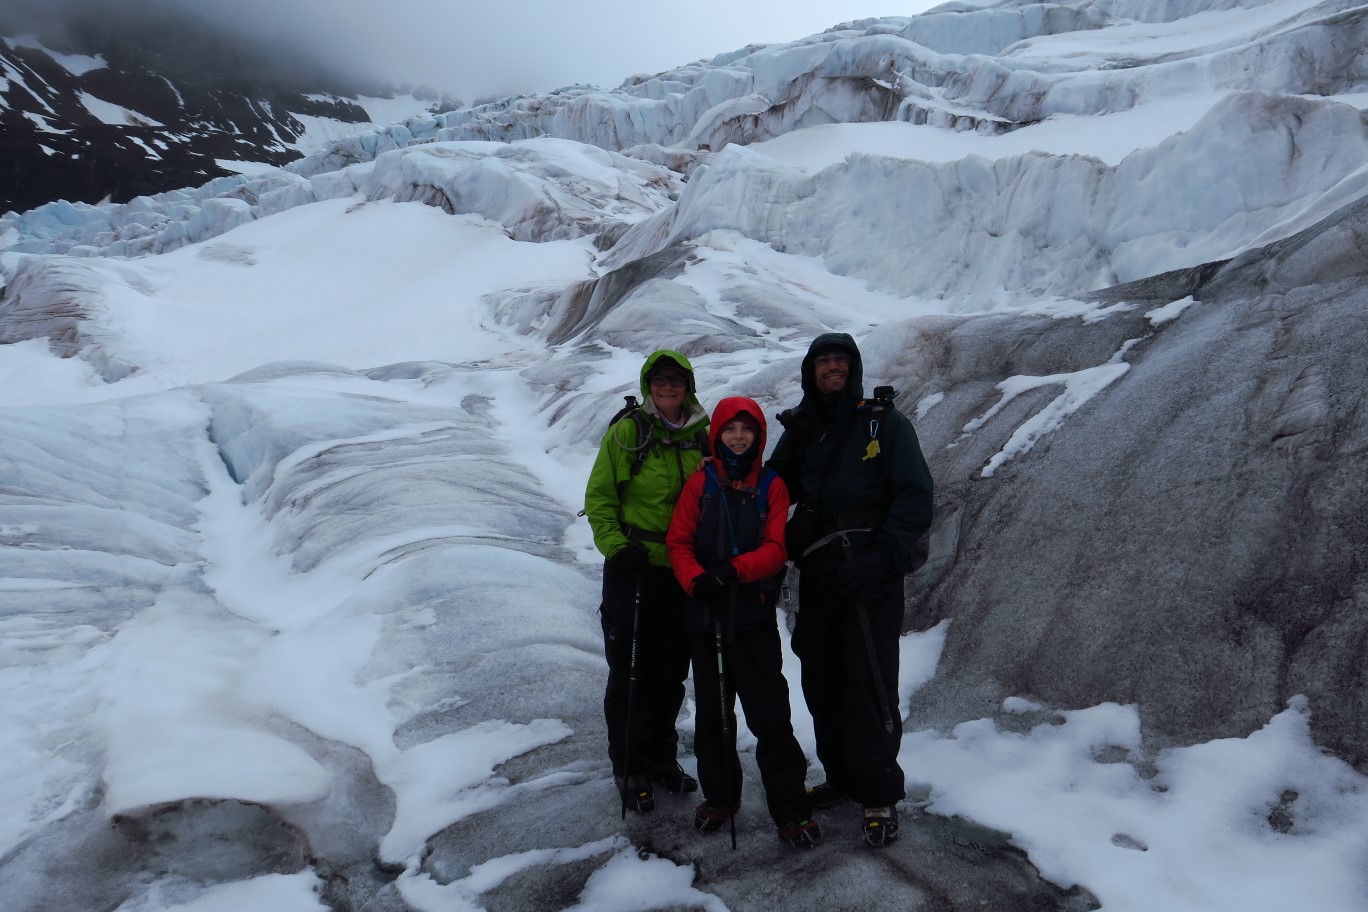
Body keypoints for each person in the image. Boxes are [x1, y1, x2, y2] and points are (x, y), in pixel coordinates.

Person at [766, 333, 934, 847]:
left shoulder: (883, 422)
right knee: (821, 678)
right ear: (810, 371)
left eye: (841, 360)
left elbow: (915, 493)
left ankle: (879, 792)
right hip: (819, 571)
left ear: (855, 367)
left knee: (869, 682)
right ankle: (842, 778)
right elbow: (774, 484)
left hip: (870, 570)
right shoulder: (803, 428)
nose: (833, 368)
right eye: (824, 361)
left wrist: (883, 556)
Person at [666, 397, 822, 849]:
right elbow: (678, 541)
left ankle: (791, 810)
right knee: (714, 717)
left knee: (770, 717)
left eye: (746, 430)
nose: (738, 437)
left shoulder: (772, 485)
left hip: (750, 615)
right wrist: (698, 581)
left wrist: (730, 572)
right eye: (730, 429)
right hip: (705, 614)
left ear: (757, 436)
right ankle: (720, 797)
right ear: (716, 435)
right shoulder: (701, 482)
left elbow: (777, 548)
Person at [584, 350, 710, 812]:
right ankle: (629, 766)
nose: (667, 387)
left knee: (671, 672)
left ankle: (662, 760)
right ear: (647, 384)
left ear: (688, 385)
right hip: (634, 567)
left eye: (676, 379)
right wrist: (618, 549)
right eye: (659, 380)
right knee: (630, 673)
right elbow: (599, 498)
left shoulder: (702, 435)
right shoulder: (629, 431)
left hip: (681, 567)